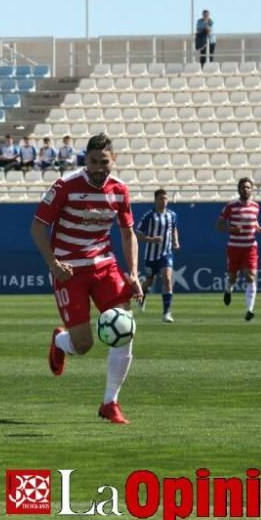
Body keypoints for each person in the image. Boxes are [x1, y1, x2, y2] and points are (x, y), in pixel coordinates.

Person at [31, 133, 143, 425]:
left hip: (104, 266)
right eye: (92, 162)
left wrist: (132, 273)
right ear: (85, 160)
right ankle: (61, 341)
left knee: (125, 327)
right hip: (69, 271)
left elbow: (128, 232)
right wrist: (53, 264)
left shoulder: (120, 190)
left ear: (113, 160)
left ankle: (110, 402)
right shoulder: (66, 186)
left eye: (103, 162)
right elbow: (38, 227)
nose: (97, 168)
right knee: (83, 345)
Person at [216, 178, 261, 322]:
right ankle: (228, 289)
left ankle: (250, 310)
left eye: (248, 187)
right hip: (234, 247)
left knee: (251, 276)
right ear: (238, 189)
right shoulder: (230, 206)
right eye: (243, 187)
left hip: (250, 247)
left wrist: (258, 228)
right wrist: (232, 229)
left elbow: (253, 220)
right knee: (233, 277)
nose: (246, 189)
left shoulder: (256, 206)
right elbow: (218, 226)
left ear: (252, 189)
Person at [135, 189, 180, 323]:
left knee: (167, 279)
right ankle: (142, 297)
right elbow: (137, 233)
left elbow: (174, 229)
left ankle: (166, 313)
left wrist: (176, 241)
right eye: (161, 198)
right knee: (149, 282)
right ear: (155, 200)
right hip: (151, 255)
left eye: (165, 198)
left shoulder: (172, 215)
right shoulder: (149, 215)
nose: (163, 201)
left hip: (166, 254)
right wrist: (152, 239)